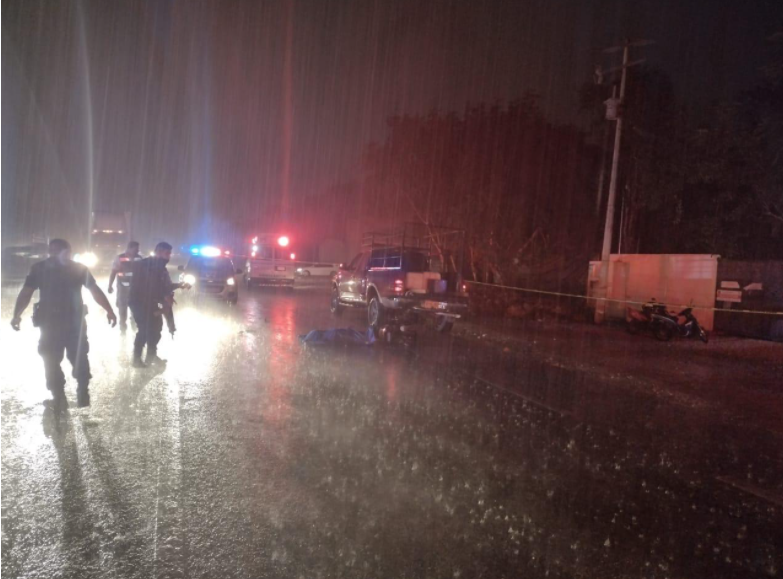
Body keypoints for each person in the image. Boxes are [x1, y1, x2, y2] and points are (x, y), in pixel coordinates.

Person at [10, 238, 117, 410]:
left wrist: (17, 315)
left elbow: (26, 293)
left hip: (50, 322)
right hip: (74, 321)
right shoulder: (79, 268)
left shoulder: (39, 268)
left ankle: (59, 396)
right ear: (68, 251)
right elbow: (95, 291)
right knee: (79, 355)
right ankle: (82, 391)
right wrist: (110, 311)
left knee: (50, 358)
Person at [128, 241, 188, 368]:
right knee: (144, 329)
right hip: (138, 301)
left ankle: (151, 355)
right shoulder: (146, 265)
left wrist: (179, 285)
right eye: (167, 253)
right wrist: (165, 296)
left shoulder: (161, 268)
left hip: (151, 301)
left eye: (170, 254)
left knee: (156, 328)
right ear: (159, 252)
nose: (169, 256)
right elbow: (152, 286)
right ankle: (136, 359)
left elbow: (165, 286)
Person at [108, 240, 143, 334]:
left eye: (138, 249)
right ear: (129, 249)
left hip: (136, 290)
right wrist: (110, 285)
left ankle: (134, 331)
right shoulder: (120, 258)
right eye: (136, 249)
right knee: (122, 311)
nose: (137, 251)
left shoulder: (139, 259)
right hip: (123, 289)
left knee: (135, 311)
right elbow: (113, 272)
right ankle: (123, 330)